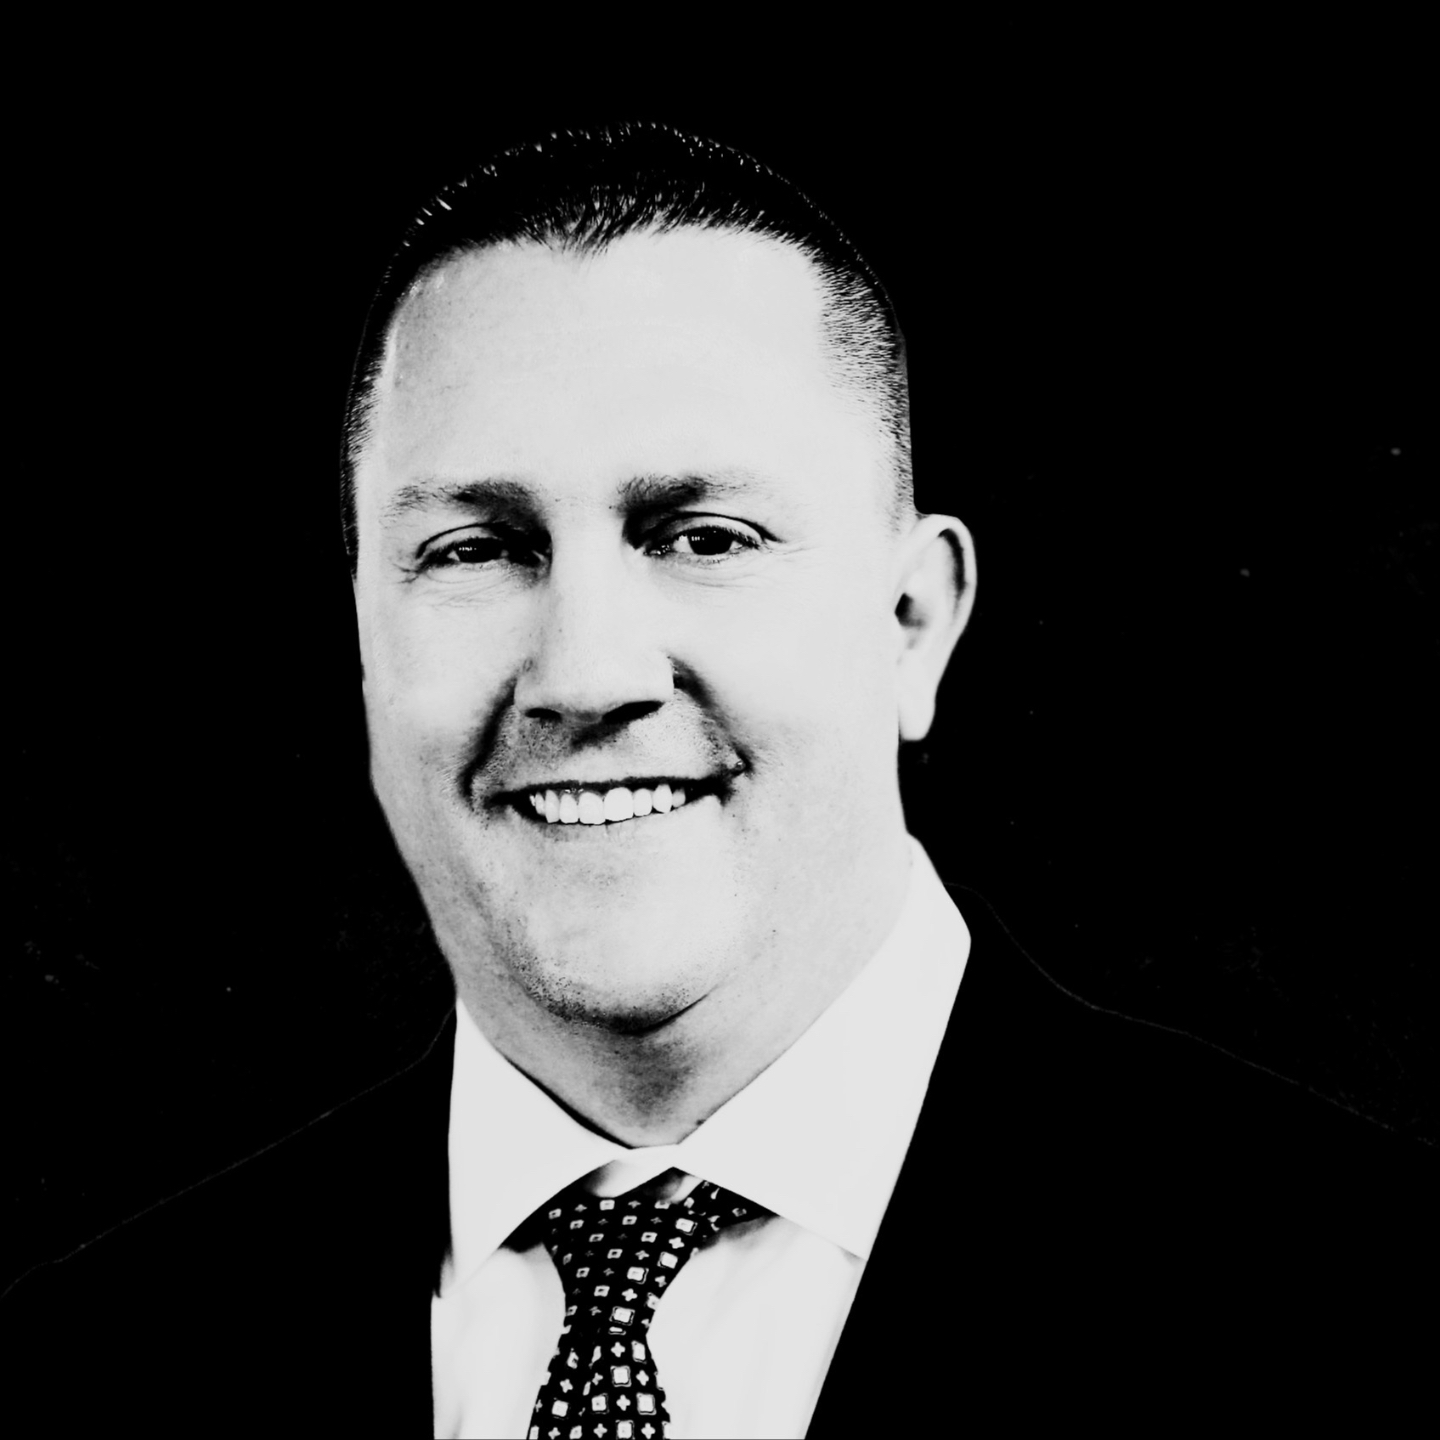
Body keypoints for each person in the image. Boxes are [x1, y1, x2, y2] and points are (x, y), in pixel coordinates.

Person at [4, 123, 1432, 1436]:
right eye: (476, 549)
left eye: (704, 537)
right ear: (367, 638)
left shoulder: (1387, 1307)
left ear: (910, 623)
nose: (584, 674)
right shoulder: (75, 1366)